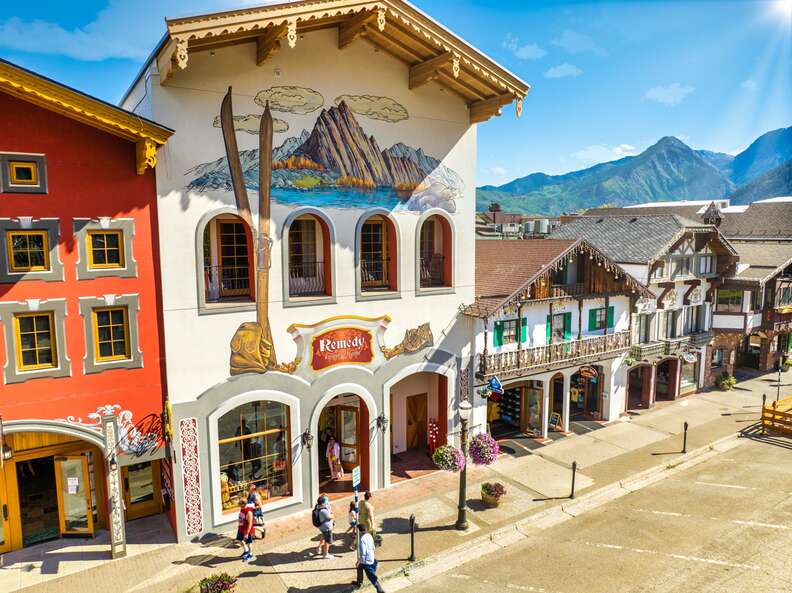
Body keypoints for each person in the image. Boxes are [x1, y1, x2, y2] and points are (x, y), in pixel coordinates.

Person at [351, 523, 385, 592]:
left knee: (372, 578)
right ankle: (359, 582)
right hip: (371, 557)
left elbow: (363, 554)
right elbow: (373, 547)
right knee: (359, 567)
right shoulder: (369, 535)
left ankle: (380, 590)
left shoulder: (362, 540)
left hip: (366, 561)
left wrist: (359, 561)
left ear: (359, 531)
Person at [315, 495, 334, 559]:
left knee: (323, 536)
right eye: (326, 502)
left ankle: (319, 548)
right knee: (327, 541)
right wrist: (332, 513)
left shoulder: (317, 507)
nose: (327, 503)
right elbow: (330, 517)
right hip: (326, 528)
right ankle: (325, 554)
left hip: (322, 527)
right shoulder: (323, 511)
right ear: (323, 503)